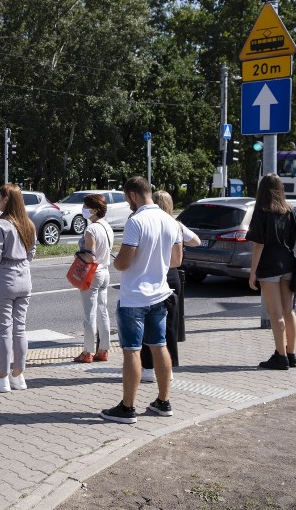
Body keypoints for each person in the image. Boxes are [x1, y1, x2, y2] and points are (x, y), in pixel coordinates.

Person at [100, 177, 182, 424]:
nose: (127, 204)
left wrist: (115, 260)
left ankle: (127, 408)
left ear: (133, 195)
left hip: (135, 296)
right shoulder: (171, 221)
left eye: (127, 199)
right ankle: (164, 401)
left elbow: (124, 262)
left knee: (131, 351)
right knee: (159, 346)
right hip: (160, 294)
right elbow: (176, 260)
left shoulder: (135, 222)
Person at [0, 183, 37, 392]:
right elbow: (31, 254)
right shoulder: (28, 224)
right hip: (24, 277)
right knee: (20, 328)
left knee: (3, 330)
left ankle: (1, 377)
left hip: (3, 279)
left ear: (6, 200)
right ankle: (18, 375)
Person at [140, 190, 200, 382]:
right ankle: (169, 365)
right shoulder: (176, 225)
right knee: (170, 323)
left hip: (155, 274)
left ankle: (148, 366)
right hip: (173, 275)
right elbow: (196, 241)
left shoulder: (150, 222)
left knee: (149, 321)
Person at [247, 173, 296, 370]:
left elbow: (258, 245)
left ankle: (281, 357)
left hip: (269, 267)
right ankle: (291, 354)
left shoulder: (261, 211)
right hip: (289, 265)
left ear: (262, 190)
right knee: (289, 311)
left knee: (275, 313)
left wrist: (253, 273)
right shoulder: (290, 210)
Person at [72, 194, 114, 364]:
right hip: (105, 272)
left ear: (95, 210)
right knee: (103, 311)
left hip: (93, 273)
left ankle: (87, 351)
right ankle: (103, 350)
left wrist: (78, 255)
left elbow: (90, 256)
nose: (83, 209)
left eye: (86, 206)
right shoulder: (107, 227)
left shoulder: (91, 229)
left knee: (89, 313)